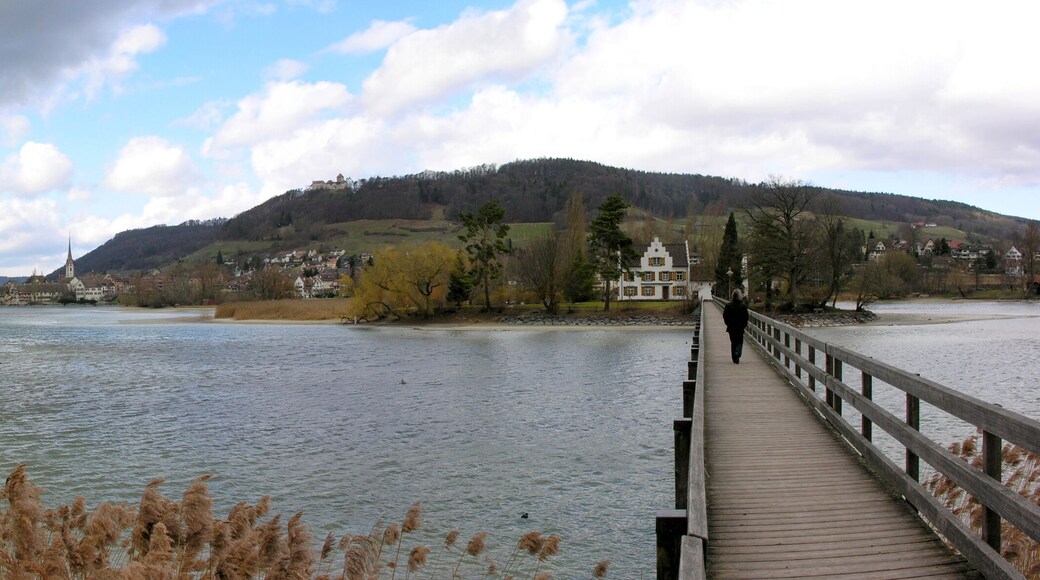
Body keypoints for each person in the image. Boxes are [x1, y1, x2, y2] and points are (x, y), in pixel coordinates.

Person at [723, 289, 749, 364]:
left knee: (733, 342)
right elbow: (746, 317)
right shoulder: (743, 306)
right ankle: (737, 352)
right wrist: (744, 325)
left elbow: (725, 316)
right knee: (739, 341)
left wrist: (727, 323)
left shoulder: (728, 305)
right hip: (740, 327)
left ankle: (734, 358)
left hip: (731, 327)